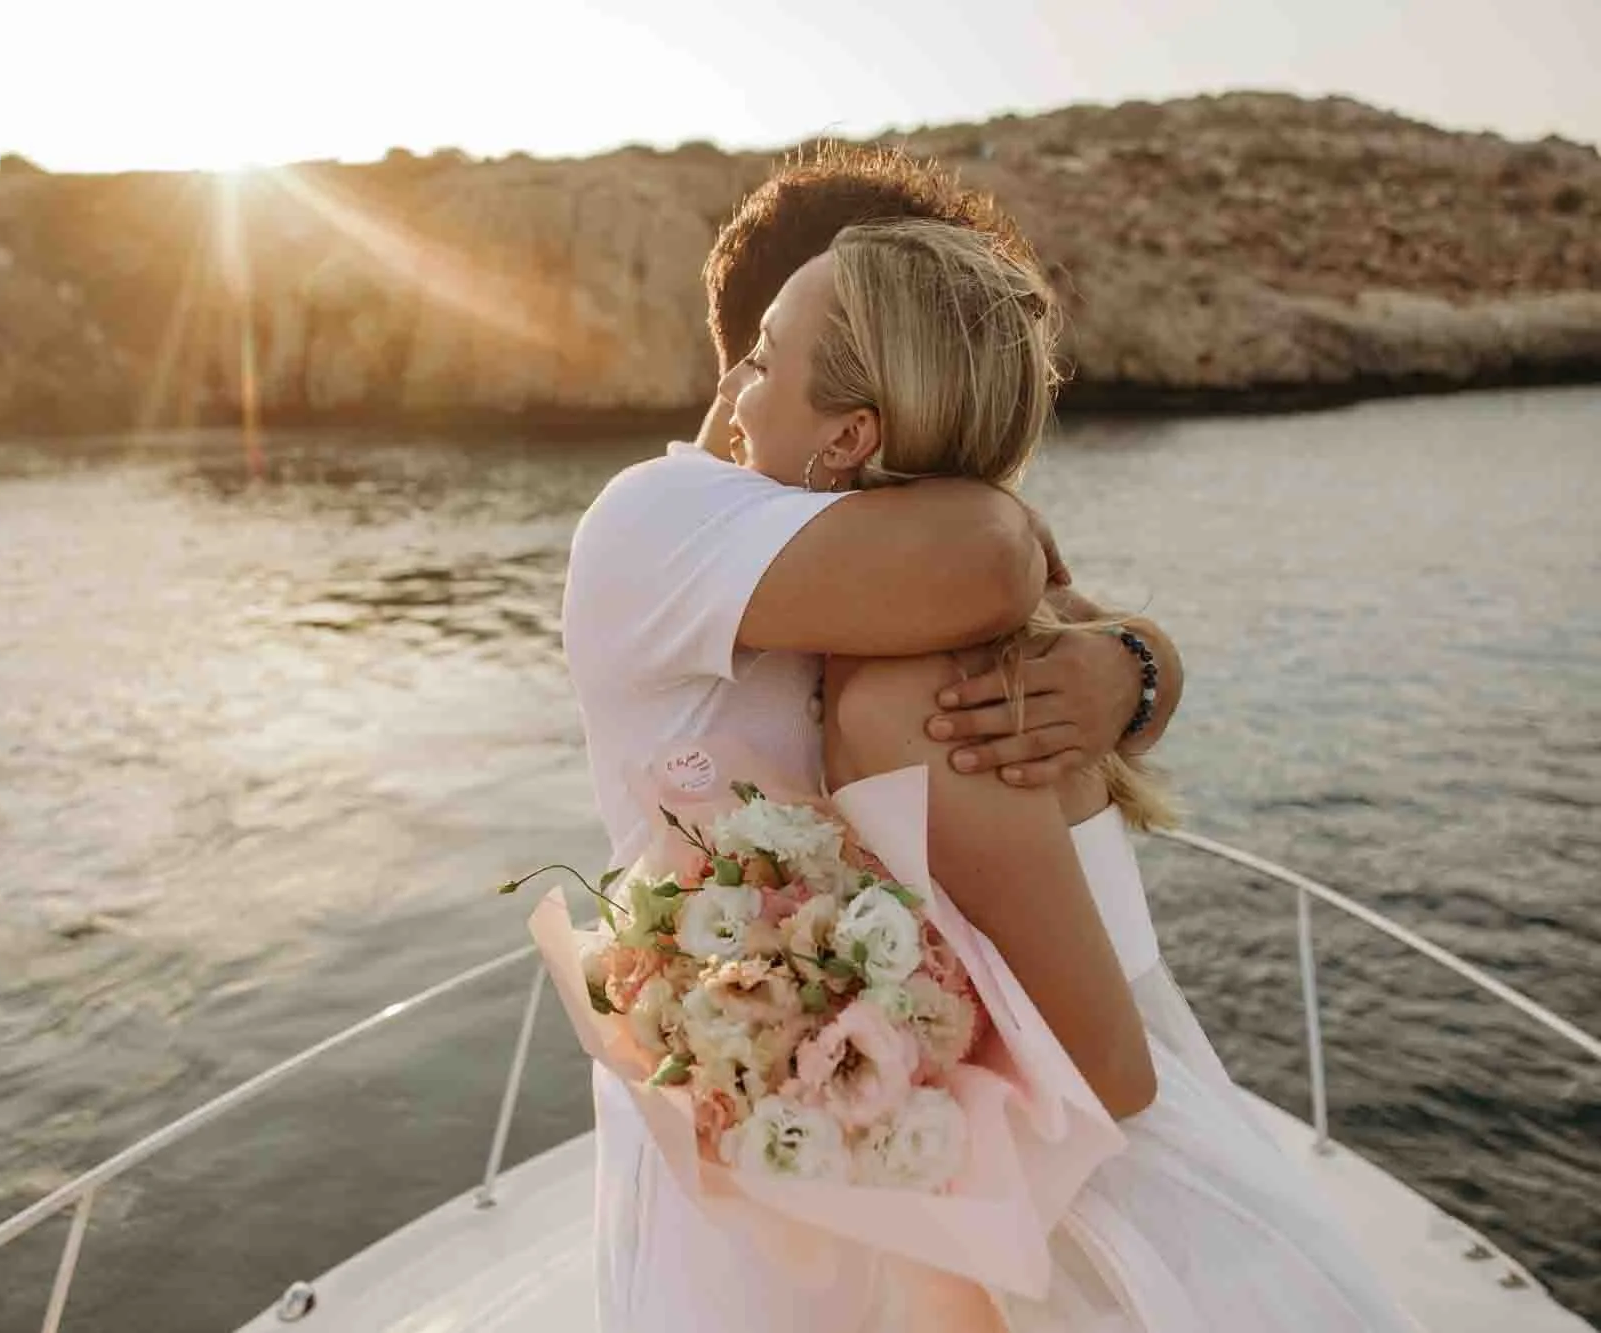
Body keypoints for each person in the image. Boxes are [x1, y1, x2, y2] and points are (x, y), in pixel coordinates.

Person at [560, 151, 1419, 1330]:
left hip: (961, 1149)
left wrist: (1130, 669)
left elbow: (1060, 640)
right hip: (760, 1147)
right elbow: (993, 562)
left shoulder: (901, 584)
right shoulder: (668, 516)